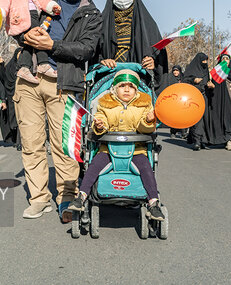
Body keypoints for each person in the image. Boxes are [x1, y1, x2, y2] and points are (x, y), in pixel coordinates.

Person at [14, 0, 101, 221]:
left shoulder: (92, 14)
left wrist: (53, 46)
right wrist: (23, 35)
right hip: (28, 78)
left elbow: (86, 49)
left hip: (63, 83)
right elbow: (16, 20)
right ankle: (39, 198)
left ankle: (66, 197)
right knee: (31, 143)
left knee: (64, 146)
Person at [68, 69, 164, 220]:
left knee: (146, 169)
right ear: (114, 88)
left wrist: (148, 120)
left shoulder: (145, 104)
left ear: (136, 89)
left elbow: (143, 128)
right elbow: (101, 119)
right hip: (108, 149)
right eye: (122, 86)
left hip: (136, 150)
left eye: (131, 86)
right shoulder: (105, 103)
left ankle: (153, 203)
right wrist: (99, 126)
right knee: (93, 166)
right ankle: (81, 196)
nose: (127, 89)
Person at [94, 0, 168, 90]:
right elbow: (92, 51)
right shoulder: (102, 22)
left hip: (139, 83)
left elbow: (159, 55)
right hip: (109, 82)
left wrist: (153, 63)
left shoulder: (148, 24)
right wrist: (102, 61)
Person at [205, 53, 231, 151]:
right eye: (223, 59)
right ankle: (219, 139)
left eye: (227, 59)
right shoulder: (217, 71)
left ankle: (230, 140)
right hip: (218, 100)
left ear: (230, 61)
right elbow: (212, 85)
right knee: (219, 118)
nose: (225, 60)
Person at [183, 53, 210, 150]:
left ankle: (203, 141)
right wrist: (193, 80)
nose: (205, 63)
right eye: (203, 60)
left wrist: (210, 85)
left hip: (204, 96)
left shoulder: (206, 70)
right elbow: (184, 80)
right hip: (194, 98)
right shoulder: (191, 69)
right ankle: (197, 141)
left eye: (206, 60)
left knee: (205, 119)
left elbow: (207, 81)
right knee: (197, 119)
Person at [0, 48, 22, 149]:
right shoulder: (10, 66)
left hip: (22, 96)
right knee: (13, 119)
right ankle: (14, 139)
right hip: (11, 97)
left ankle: (20, 142)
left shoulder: (24, 67)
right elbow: (3, 77)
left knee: (20, 119)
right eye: (19, 54)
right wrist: (2, 65)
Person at [160, 65, 186, 138]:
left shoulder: (183, 78)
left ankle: (183, 132)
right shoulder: (169, 78)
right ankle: (173, 132)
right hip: (173, 100)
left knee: (183, 116)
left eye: (177, 70)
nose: (175, 72)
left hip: (182, 100)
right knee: (174, 117)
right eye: (174, 70)